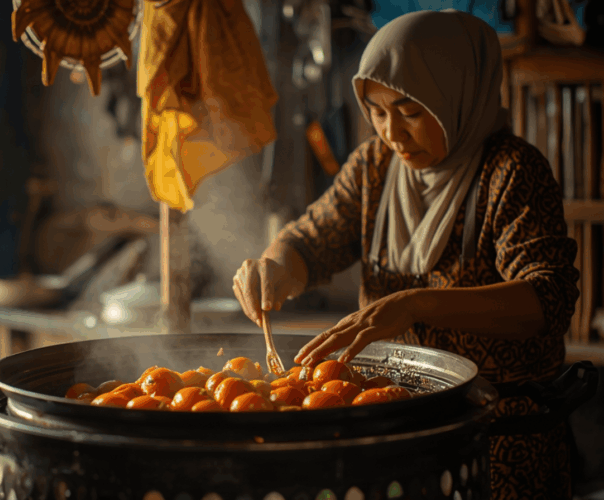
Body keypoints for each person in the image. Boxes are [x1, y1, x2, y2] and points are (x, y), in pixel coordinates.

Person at [232, 9, 580, 499]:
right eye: (375, 111)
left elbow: (549, 298)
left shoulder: (511, 172)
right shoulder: (374, 166)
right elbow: (311, 241)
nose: (391, 132)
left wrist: (417, 303)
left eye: (410, 111)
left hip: (492, 436)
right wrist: (273, 268)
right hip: (390, 428)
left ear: (457, 95)